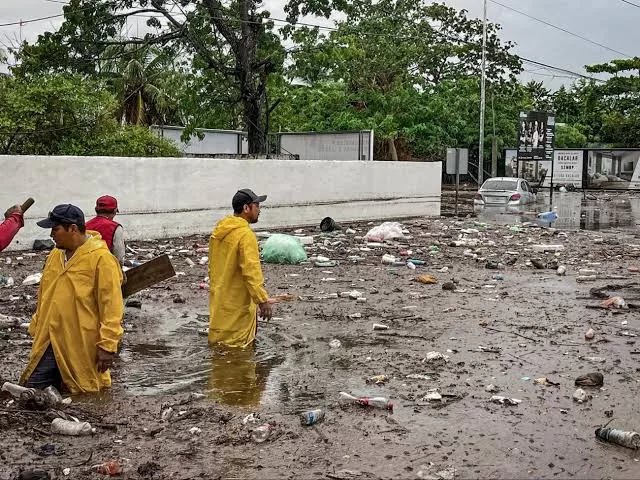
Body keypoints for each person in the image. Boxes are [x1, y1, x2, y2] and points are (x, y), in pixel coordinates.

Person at [20, 204, 124, 393]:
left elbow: (111, 306)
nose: (51, 234)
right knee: (33, 390)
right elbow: (45, 293)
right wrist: (37, 323)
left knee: (85, 390)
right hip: (49, 337)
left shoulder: (102, 259)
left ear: (73, 228)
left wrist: (107, 345)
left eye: (56, 229)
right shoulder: (55, 255)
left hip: (79, 339)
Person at [208, 189, 272, 348]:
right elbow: (251, 272)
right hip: (238, 307)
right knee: (239, 351)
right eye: (257, 206)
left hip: (220, 303)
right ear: (246, 208)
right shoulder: (245, 235)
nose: (259, 210)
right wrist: (262, 300)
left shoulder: (219, 232)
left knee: (219, 347)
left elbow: (212, 267)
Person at [85, 195, 125, 265]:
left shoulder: (85, 225)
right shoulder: (116, 227)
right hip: (106, 267)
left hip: (86, 266)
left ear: (96, 209)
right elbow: (119, 257)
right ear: (115, 210)